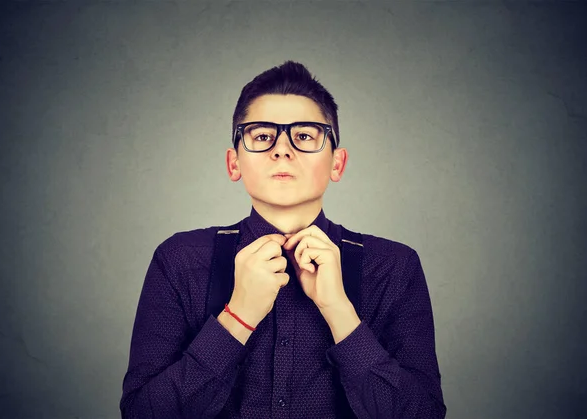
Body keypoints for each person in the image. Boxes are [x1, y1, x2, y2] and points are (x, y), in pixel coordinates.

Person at [120, 61, 447, 418]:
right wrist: (237, 317)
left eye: (304, 136)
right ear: (234, 163)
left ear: (337, 164)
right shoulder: (180, 260)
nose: (282, 149)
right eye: (262, 136)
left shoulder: (393, 267)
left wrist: (340, 311)